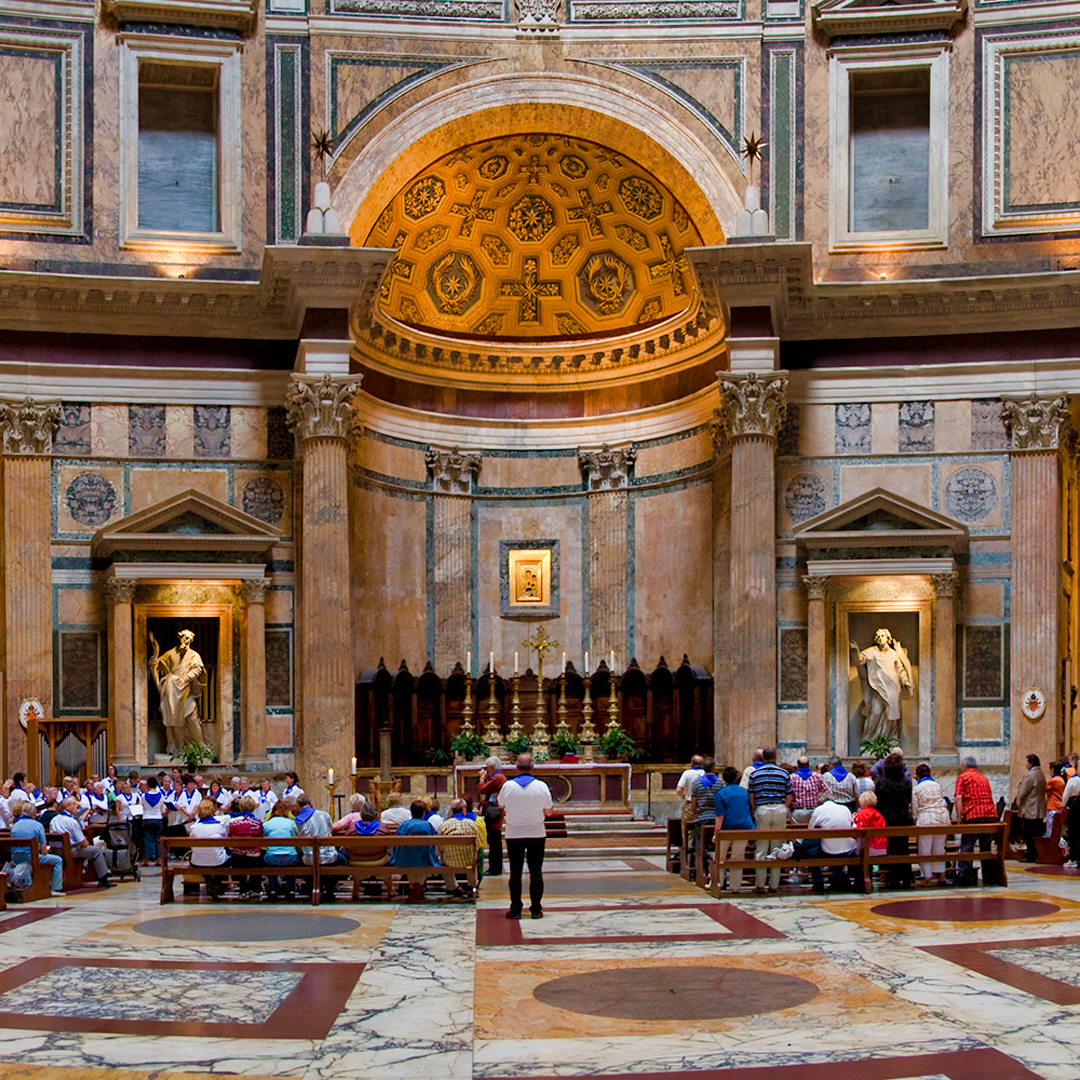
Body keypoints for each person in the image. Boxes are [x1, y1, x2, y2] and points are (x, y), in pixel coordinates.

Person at [498, 753, 553, 919]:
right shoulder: (541, 786)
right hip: (536, 832)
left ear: (516, 768)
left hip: (514, 832)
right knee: (536, 871)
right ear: (532, 767)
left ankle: (515, 909)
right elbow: (549, 812)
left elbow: (501, 805)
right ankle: (536, 908)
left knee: (515, 872)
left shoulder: (507, 786)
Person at [850, 627, 913, 743]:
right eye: (878, 636)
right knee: (875, 712)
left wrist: (905, 680)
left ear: (888, 638)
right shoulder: (872, 651)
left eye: (882, 636)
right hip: (877, 687)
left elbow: (900, 669)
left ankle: (890, 740)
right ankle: (869, 740)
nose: (880, 638)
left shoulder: (893, 654)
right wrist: (856, 651)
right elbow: (860, 660)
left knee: (891, 716)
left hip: (893, 688)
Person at [150, 629, 206, 754]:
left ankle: (199, 745)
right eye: (184, 638)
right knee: (172, 720)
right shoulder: (171, 654)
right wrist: (154, 663)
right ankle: (176, 747)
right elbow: (160, 664)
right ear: (180, 638)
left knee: (191, 717)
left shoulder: (194, 655)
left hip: (186, 691)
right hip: (171, 691)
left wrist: (186, 678)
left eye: (188, 639)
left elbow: (197, 669)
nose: (186, 641)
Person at [746, 747, 793, 894]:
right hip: (779, 808)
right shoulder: (783, 773)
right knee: (777, 848)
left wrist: (755, 808)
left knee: (761, 846)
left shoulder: (755, 773)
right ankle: (774, 885)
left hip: (762, 808)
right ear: (775, 757)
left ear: (763, 758)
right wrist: (783, 807)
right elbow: (789, 795)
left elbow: (751, 795)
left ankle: (760, 885)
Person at [796, 795, 857, 893]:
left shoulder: (819, 810)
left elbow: (810, 830)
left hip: (828, 850)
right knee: (839, 846)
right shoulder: (844, 809)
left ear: (820, 802)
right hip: (847, 849)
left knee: (812, 849)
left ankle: (818, 880)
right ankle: (837, 878)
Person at [954, 756, 1000, 885]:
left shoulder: (963, 777)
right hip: (990, 815)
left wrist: (959, 819)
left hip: (974, 815)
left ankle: (965, 877)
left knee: (967, 846)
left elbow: (958, 798)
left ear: (965, 766)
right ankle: (989, 877)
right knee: (985, 848)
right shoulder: (983, 778)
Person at [52, 798, 113, 887]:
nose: (77, 805)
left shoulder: (54, 819)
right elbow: (84, 843)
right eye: (74, 804)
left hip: (56, 851)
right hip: (70, 851)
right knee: (97, 850)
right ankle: (103, 879)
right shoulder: (71, 821)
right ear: (67, 807)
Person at [875, 753, 914, 889]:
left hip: (888, 819)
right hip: (903, 818)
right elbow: (908, 800)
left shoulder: (882, 783)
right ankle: (907, 877)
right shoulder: (906, 781)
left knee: (891, 848)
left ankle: (893, 877)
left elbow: (878, 802)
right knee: (904, 847)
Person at [713, 765, 753, 893]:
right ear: (736, 778)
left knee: (720, 856)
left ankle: (718, 882)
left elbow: (720, 816)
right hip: (743, 827)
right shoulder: (744, 792)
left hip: (727, 828)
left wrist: (716, 833)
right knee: (738, 856)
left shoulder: (721, 793)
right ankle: (735, 886)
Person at [10, 800, 64, 897]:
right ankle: (56, 888)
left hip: (15, 857)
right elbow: (43, 851)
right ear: (34, 813)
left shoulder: (15, 825)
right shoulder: (38, 825)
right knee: (58, 860)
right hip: (30, 857)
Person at [437, 797, 484, 897]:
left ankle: (452, 887)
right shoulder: (472, 824)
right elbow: (478, 845)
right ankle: (472, 887)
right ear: (464, 809)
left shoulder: (445, 825)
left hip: (450, 861)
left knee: (442, 862)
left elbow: (439, 847)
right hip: (468, 860)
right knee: (475, 859)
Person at [912, 763, 949, 886]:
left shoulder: (917, 788)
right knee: (939, 848)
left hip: (926, 818)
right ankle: (941, 874)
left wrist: (915, 819)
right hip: (942, 817)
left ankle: (927, 877)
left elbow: (915, 809)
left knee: (925, 849)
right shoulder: (936, 785)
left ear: (917, 775)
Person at [187, 798, 228, 900]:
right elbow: (226, 841)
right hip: (217, 861)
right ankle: (217, 883)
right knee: (225, 856)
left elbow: (191, 845)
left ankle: (209, 880)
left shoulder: (194, 827)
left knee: (197, 854)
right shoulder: (219, 826)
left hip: (198, 862)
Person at [227, 794, 264, 901]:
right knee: (258, 854)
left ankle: (243, 890)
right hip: (253, 857)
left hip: (237, 858)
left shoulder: (234, 823)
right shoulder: (257, 823)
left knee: (239, 854)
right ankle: (255, 888)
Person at [262, 802, 300, 901]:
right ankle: (291, 890)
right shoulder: (291, 823)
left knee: (269, 859)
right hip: (290, 857)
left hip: (273, 858)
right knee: (291, 864)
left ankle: (273, 890)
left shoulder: (267, 824)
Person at [477, 756, 508, 875]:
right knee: (493, 841)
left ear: (491, 767)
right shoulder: (498, 777)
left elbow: (482, 789)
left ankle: (495, 868)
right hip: (494, 811)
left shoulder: (497, 777)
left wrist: (482, 778)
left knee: (494, 841)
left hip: (494, 813)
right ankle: (495, 867)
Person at [1015, 754, 1047, 862]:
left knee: (1029, 834)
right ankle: (1037, 854)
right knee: (1037, 833)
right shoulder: (1041, 774)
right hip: (1039, 808)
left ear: (1031, 762)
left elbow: (1023, 791)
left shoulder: (1030, 775)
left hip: (1030, 808)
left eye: (1026, 762)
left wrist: (1018, 801)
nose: (1025, 764)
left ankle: (1031, 855)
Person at [789, 756, 828, 825]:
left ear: (797, 765)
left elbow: (789, 794)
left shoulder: (792, 777)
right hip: (813, 811)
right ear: (809, 765)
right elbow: (828, 792)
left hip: (798, 811)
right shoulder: (817, 776)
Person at [852, 791, 887, 863]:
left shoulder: (861, 814)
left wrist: (853, 821)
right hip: (881, 847)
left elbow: (858, 831)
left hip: (867, 848)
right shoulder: (878, 814)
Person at [139, 776, 166, 864]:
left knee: (147, 839)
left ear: (147, 785)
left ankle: (146, 859)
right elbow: (161, 807)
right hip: (158, 818)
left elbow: (142, 806)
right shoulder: (161, 795)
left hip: (147, 818)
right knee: (158, 839)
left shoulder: (143, 796)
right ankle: (159, 859)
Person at [675, 754, 705, 827]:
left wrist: (684, 796)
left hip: (690, 804)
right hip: (703, 805)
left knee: (687, 828)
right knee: (702, 829)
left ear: (691, 763)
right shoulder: (705, 773)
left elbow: (678, 789)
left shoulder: (687, 773)